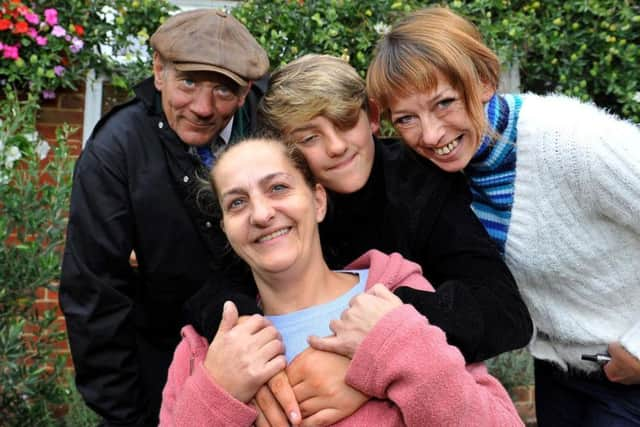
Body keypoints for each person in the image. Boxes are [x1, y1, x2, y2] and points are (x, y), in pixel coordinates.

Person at [181, 53, 532, 426]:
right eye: (310, 137)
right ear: (287, 152)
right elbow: (216, 292)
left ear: (373, 118)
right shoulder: (279, 210)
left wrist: (369, 355)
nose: (336, 146)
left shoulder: (420, 183)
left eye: (346, 122)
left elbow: (503, 311)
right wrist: (261, 363)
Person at [366, 6, 640, 426]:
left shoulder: (573, 141)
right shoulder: (439, 174)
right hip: (560, 374)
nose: (431, 134)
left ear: (484, 82)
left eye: (444, 103)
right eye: (406, 118)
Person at [58, 9, 269, 426]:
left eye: (223, 90)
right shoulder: (116, 151)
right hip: (162, 368)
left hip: (273, 357)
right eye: (188, 82)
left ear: (245, 91)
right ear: (159, 72)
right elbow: (94, 293)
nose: (203, 107)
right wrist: (126, 413)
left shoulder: (273, 126)